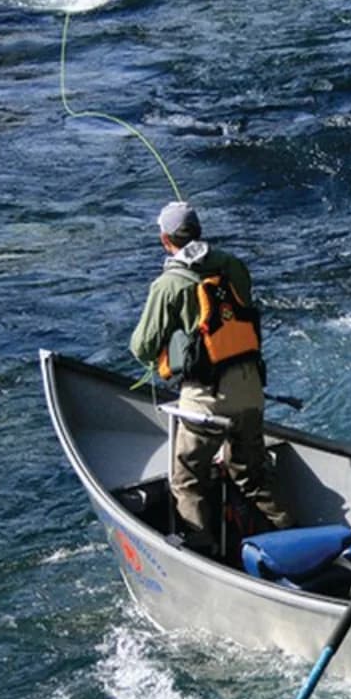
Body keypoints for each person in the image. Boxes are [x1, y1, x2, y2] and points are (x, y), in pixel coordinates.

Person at [129, 200, 293, 553]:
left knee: (187, 479)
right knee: (251, 476)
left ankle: (202, 554)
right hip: (251, 389)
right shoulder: (233, 266)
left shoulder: (168, 284)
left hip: (206, 400)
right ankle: (291, 537)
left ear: (164, 239)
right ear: (199, 231)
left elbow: (142, 347)